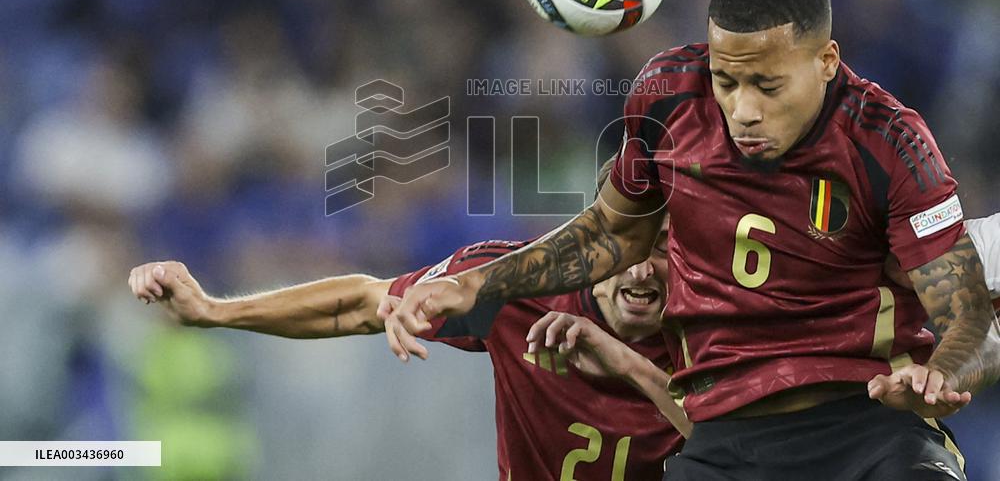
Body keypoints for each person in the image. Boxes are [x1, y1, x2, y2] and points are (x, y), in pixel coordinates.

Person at [388, 0, 1000, 480]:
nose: (743, 110)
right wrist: (480, 281)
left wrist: (936, 376)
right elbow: (612, 234)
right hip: (724, 441)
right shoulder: (669, 96)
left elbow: (967, 310)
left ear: (826, 62)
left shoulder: (889, 141)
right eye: (727, 81)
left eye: (767, 85)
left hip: (865, 427)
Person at [128, 162, 691, 481]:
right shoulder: (512, 286)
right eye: (624, 249)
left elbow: (751, 450)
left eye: (661, 249)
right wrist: (216, 311)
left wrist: (626, 364)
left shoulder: (716, 320)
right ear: (591, 247)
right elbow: (362, 303)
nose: (639, 269)